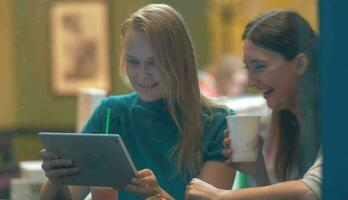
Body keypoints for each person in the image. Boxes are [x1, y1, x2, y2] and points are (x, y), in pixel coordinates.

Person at [40, 4, 236, 200]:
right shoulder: (109, 113)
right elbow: (71, 195)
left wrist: (158, 196)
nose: (142, 75)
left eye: (154, 62)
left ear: (179, 60)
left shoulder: (218, 123)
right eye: (133, 62)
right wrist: (56, 177)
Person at [185, 9, 322, 200]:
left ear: (300, 64)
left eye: (259, 66)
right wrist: (256, 171)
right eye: (248, 68)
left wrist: (220, 196)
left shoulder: (338, 115)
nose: (250, 80)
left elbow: (312, 190)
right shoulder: (289, 122)